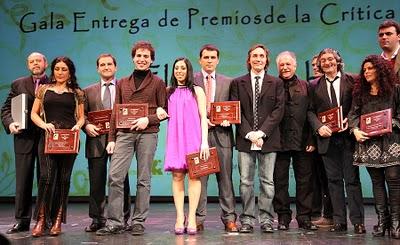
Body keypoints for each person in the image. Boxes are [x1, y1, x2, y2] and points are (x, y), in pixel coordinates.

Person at [96, 41, 166, 236]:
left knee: (143, 179)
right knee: (115, 176)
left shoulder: (158, 83)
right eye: (139, 56)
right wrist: (111, 139)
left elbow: (165, 111)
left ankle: (138, 221)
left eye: (146, 56)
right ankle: (115, 222)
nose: (142, 59)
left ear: (152, 60)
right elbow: (114, 114)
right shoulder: (122, 82)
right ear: (133, 58)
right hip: (124, 134)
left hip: (148, 134)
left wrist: (148, 119)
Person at [307, 48, 365, 233]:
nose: (327, 62)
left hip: (348, 138)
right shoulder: (314, 85)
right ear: (319, 64)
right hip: (327, 139)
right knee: (333, 181)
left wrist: (351, 119)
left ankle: (358, 221)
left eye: (330, 59)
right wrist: (318, 127)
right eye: (323, 60)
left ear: (338, 61)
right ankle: (339, 221)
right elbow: (310, 111)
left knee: (352, 181)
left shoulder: (353, 80)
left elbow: (360, 105)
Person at [229, 44, 284, 233]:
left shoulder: (276, 83)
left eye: (261, 56)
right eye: (254, 56)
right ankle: (247, 220)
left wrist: (261, 133)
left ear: (266, 60)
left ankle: (267, 219)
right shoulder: (238, 83)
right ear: (249, 59)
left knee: (267, 181)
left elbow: (278, 110)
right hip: (245, 140)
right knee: (246, 182)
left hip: (268, 140)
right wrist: (249, 133)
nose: (258, 59)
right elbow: (236, 109)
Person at [30, 56, 85, 237]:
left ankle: (57, 220)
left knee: (64, 180)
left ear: (70, 72)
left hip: (69, 140)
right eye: (57, 69)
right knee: (46, 178)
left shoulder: (77, 92)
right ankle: (41, 219)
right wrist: (44, 125)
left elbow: (81, 117)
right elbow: (34, 114)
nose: (60, 72)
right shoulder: (44, 89)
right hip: (48, 139)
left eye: (64, 69)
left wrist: (78, 126)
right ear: (53, 70)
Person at [348, 55, 400, 239]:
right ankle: (382, 222)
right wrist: (355, 130)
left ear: (381, 70)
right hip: (370, 145)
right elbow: (353, 115)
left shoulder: (395, 90)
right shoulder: (360, 94)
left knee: (394, 182)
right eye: (365, 69)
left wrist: (389, 122)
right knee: (377, 183)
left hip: (392, 143)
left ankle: (396, 223)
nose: (367, 72)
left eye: (371, 68)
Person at [159, 57, 209, 235]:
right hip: (175, 139)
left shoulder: (197, 91)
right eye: (176, 68)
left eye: (182, 68)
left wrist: (204, 142)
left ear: (188, 70)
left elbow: (204, 117)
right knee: (177, 177)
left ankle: (193, 217)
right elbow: (160, 110)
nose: (179, 71)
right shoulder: (168, 91)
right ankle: (180, 217)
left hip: (194, 138)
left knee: (195, 178)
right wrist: (158, 110)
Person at [83, 53, 131, 232]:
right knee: (96, 183)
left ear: (116, 67)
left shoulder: (124, 89)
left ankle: (123, 218)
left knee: (121, 182)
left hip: (120, 141)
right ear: (97, 68)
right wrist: (86, 126)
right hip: (95, 141)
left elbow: (128, 113)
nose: (106, 67)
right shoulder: (88, 91)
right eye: (102, 65)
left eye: (109, 64)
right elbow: (81, 116)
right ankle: (97, 219)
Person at [1, 52, 48, 234]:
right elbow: (6, 108)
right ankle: (22, 220)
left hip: (46, 137)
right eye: (32, 61)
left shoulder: (54, 82)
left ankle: (44, 219)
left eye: (38, 61)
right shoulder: (18, 83)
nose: (35, 63)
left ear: (46, 63)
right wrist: (10, 123)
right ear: (28, 65)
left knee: (45, 179)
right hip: (23, 137)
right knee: (23, 180)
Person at [193, 44, 238, 232]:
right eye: (206, 57)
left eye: (213, 57)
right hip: (198, 136)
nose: (209, 60)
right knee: (199, 179)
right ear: (200, 60)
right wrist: (200, 120)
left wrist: (229, 119)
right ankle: (198, 218)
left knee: (225, 179)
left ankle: (229, 218)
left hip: (223, 135)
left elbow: (234, 108)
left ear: (218, 60)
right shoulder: (191, 79)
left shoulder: (229, 82)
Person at [272, 51, 317, 231]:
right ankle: (283, 217)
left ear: (295, 65)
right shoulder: (272, 85)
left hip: (303, 141)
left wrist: (312, 139)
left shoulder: (307, 86)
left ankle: (304, 217)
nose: (285, 68)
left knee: (305, 181)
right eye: (281, 65)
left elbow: (312, 112)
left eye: (288, 64)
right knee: (279, 181)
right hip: (278, 141)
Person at [309, 54, 334, 227]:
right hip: (315, 139)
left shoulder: (336, 84)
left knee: (329, 179)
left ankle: (331, 214)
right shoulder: (311, 85)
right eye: (313, 65)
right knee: (316, 179)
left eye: (318, 64)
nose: (316, 67)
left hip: (334, 138)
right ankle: (317, 213)